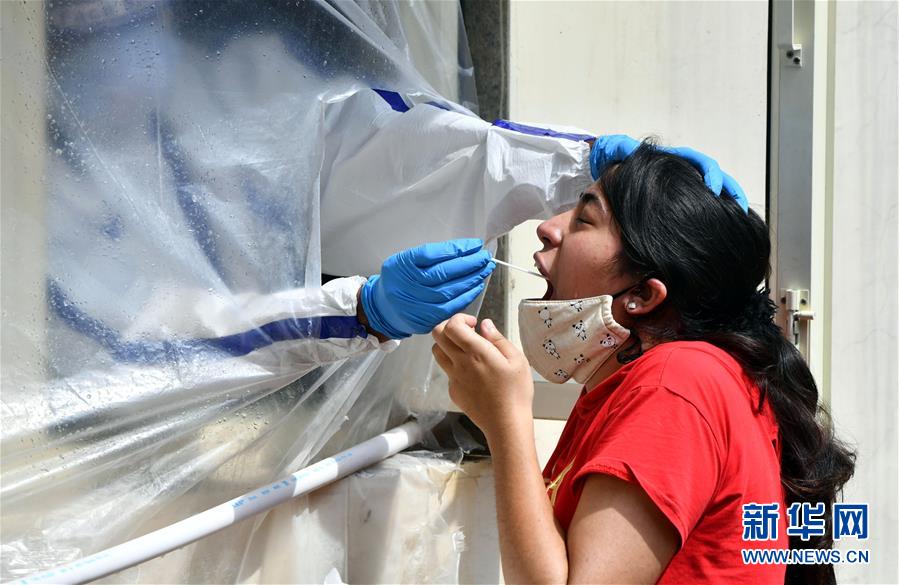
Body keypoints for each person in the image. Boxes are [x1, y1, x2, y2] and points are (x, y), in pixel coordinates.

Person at [431, 141, 855, 584]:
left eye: (583, 219)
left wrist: (505, 420)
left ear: (642, 296)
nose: (548, 228)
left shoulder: (675, 385)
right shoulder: (645, 382)